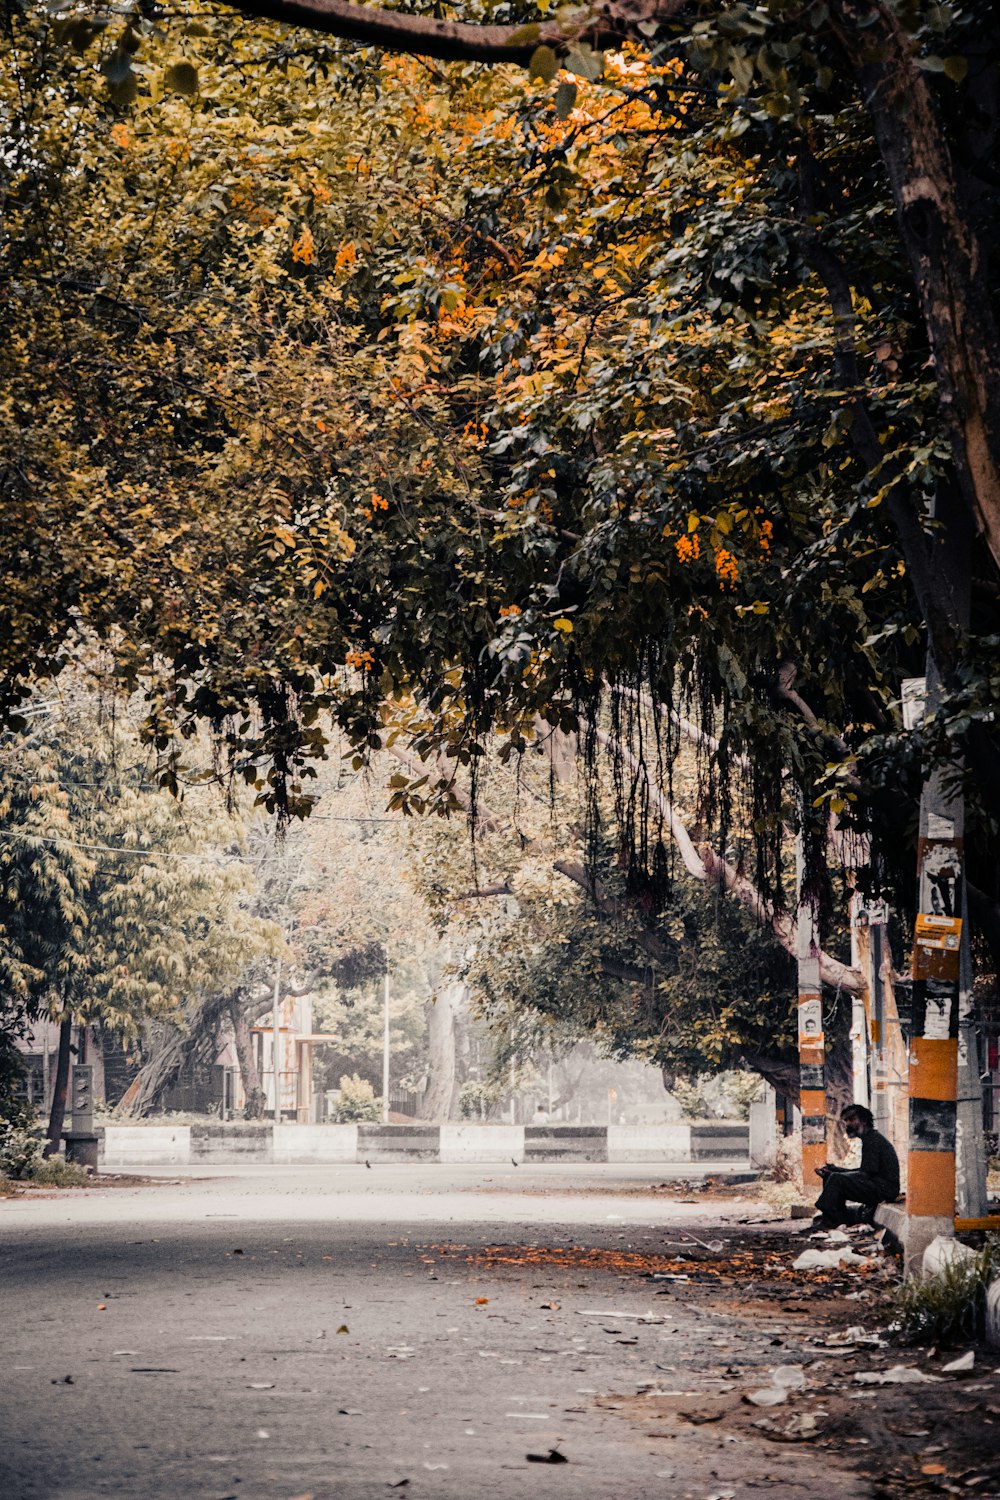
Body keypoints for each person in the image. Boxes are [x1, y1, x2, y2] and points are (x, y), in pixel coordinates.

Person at [813, 1104, 900, 1228]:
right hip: (879, 1185)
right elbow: (866, 1171)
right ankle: (835, 1218)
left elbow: (865, 1174)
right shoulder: (870, 1138)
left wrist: (836, 1174)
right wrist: (835, 1170)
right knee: (833, 1176)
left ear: (863, 1121)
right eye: (846, 1120)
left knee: (835, 1179)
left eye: (852, 1119)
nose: (848, 1124)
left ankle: (833, 1220)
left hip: (885, 1189)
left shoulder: (873, 1140)